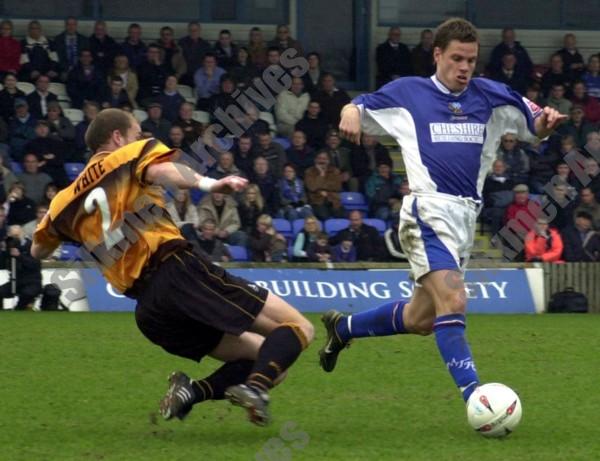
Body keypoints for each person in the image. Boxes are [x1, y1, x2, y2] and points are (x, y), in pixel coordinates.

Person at [320, 18, 565, 416]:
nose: (464, 67)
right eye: (456, 58)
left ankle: (343, 328)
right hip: (427, 211)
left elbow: (534, 124)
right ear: (437, 55)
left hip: (466, 218)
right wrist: (349, 109)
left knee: (421, 319)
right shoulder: (409, 93)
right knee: (454, 298)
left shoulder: (492, 95)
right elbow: (359, 105)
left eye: (470, 59)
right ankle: (477, 400)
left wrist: (547, 123)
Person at [31, 108, 314, 425]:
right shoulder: (129, 155)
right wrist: (210, 184)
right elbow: (164, 171)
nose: (140, 137)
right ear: (118, 137)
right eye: (136, 133)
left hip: (150, 311)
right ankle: (256, 390)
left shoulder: (64, 202)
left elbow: (38, 249)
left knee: (271, 360)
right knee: (299, 327)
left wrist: (78, 228)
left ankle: (192, 392)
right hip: (175, 270)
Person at [0, 224, 42, 310]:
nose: (14, 238)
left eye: (16, 236)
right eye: (12, 236)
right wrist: (4, 251)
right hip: (15, 281)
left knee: (27, 293)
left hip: (32, 281)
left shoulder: (31, 246)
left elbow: (35, 265)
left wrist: (19, 256)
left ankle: (20, 308)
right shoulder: (9, 247)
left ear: (22, 234)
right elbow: (2, 265)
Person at [304, 150, 345, 220]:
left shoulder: (335, 171)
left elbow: (337, 187)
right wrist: (321, 174)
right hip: (317, 200)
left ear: (328, 161)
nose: (322, 161)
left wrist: (324, 191)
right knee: (323, 216)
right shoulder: (309, 172)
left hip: (333, 199)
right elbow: (312, 187)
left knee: (341, 216)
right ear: (315, 160)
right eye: (319, 158)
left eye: (324, 159)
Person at [178, 22, 212, 86]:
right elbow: (179, 59)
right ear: (188, 31)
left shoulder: (206, 45)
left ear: (199, 31)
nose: (193, 32)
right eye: (191, 30)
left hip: (201, 76)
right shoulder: (182, 43)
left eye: (195, 30)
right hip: (185, 76)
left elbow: (209, 62)